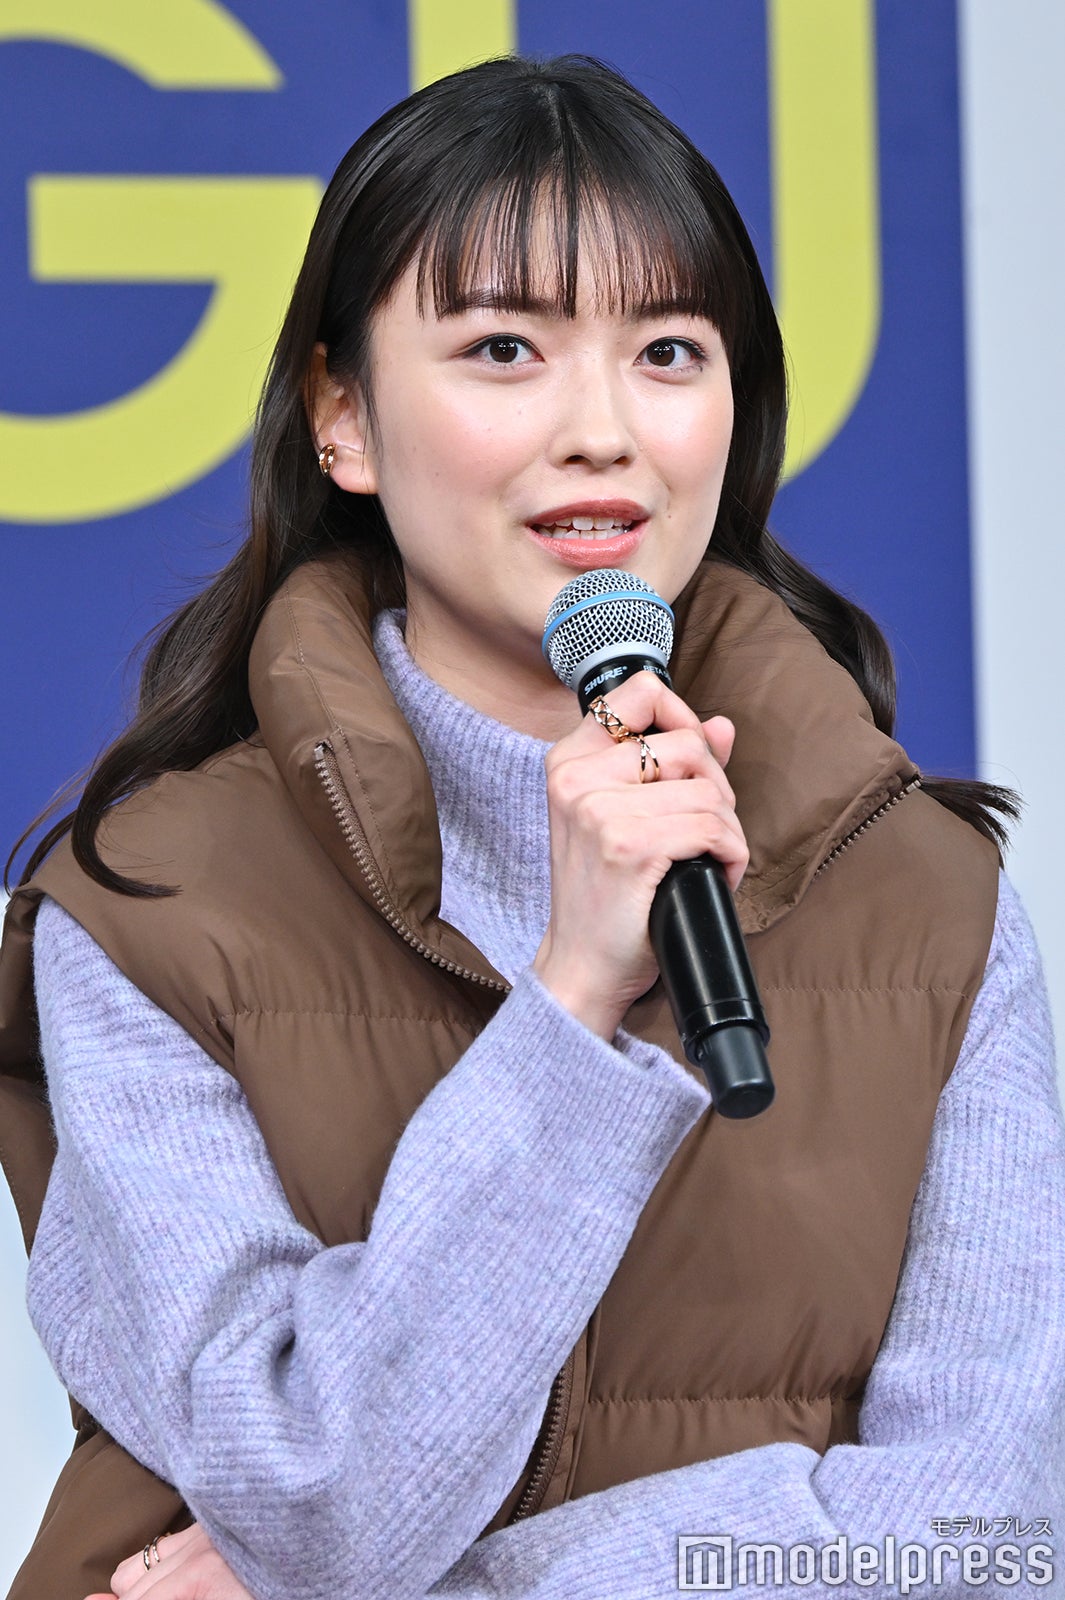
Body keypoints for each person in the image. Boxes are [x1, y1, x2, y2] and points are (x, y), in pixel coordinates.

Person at [1, 53, 1062, 1600]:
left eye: (668, 351)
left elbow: (988, 1531)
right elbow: (322, 1504)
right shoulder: (145, 910)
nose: (601, 430)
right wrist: (570, 1000)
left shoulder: (928, 902)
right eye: (503, 347)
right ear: (342, 416)